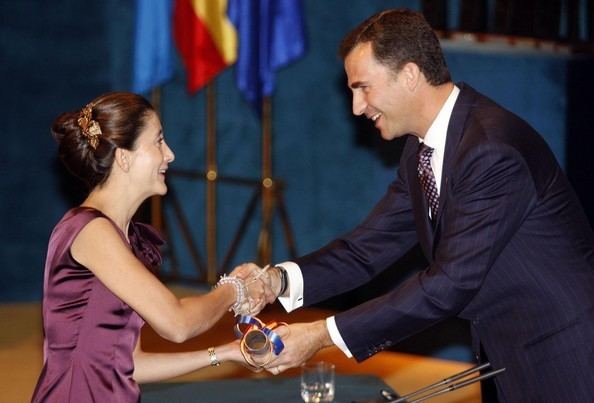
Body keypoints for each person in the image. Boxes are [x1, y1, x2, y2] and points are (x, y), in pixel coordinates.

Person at [250, 8, 594, 402]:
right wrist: (276, 281)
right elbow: (367, 250)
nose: (356, 108)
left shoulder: (491, 150)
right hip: (509, 353)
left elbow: (448, 285)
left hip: (566, 358)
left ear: (410, 75)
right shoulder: (422, 151)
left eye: (363, 88)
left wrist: (320, 334)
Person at [31, 92, 271, 402]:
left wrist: (227, 352)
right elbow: (177, 323)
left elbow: (127, 364)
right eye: (158, 141)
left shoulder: (118, 235)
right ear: (123, 158)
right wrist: (235, 289)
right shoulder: (90, 231)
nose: (169, 154)